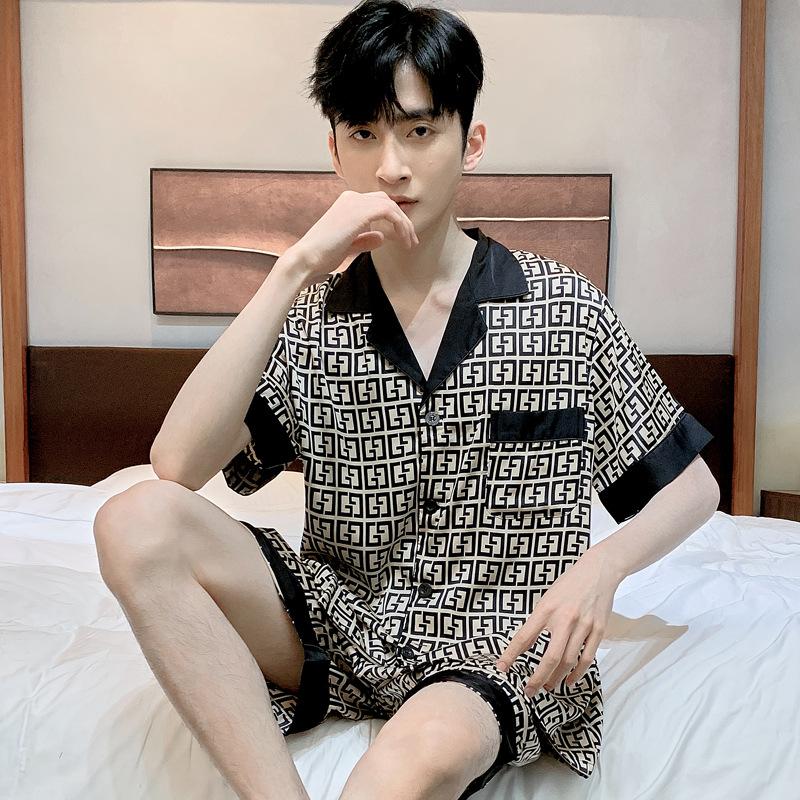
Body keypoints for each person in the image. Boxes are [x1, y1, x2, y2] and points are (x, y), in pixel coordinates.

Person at [94, 1, 720, 799]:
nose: (391, 166)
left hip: (497, 646)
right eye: (364, 134)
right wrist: (292, 269)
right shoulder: (311, 321)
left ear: (471, 142)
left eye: (420, 131)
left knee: (418, 757)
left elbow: (695, 489)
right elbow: (176, 466)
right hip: (340, 621)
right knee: (132, 519)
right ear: (335, 151)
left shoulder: (564, 309)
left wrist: (605, 564)